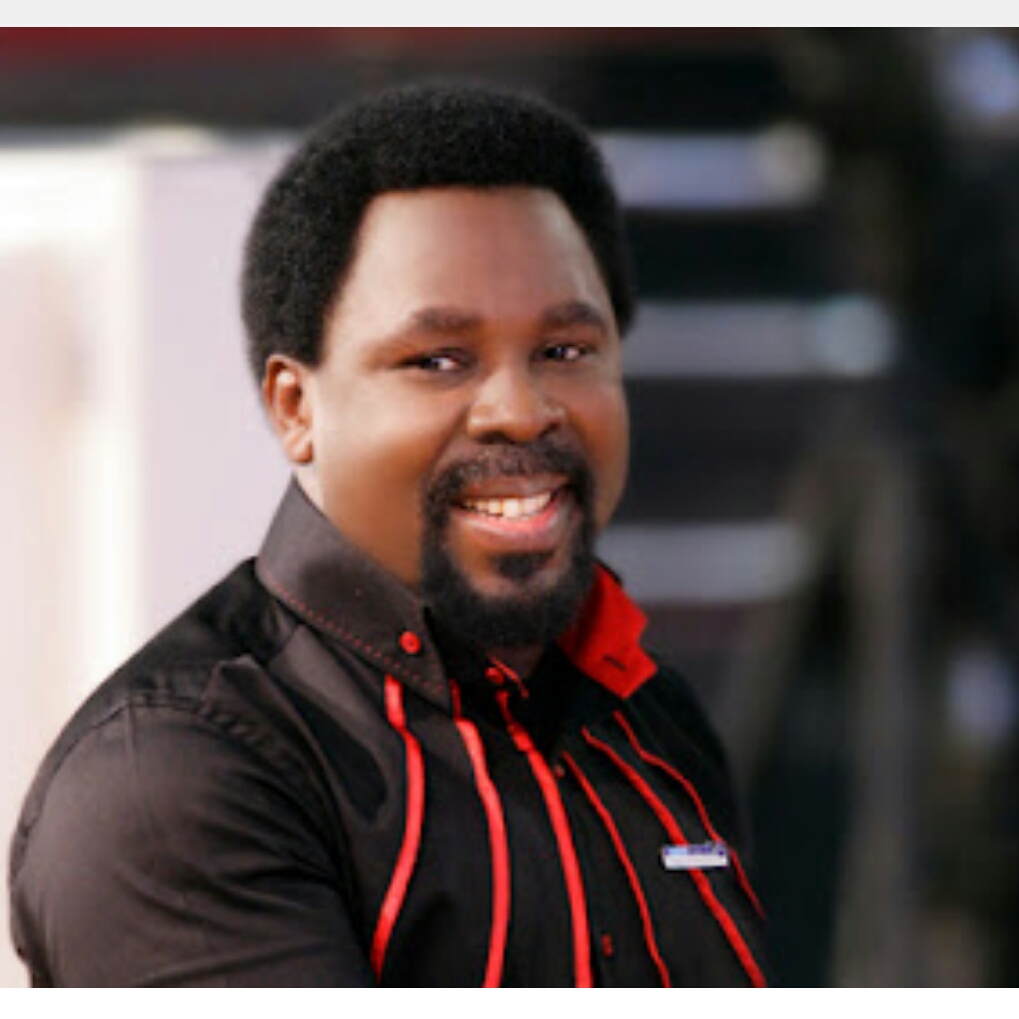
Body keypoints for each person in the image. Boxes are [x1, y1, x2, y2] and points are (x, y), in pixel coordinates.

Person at [8, 82, 771, 987]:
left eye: (564, 350)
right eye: (437, 360)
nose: (520, 409)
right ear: (295, 408)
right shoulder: (178, 776)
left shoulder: (653, 726)